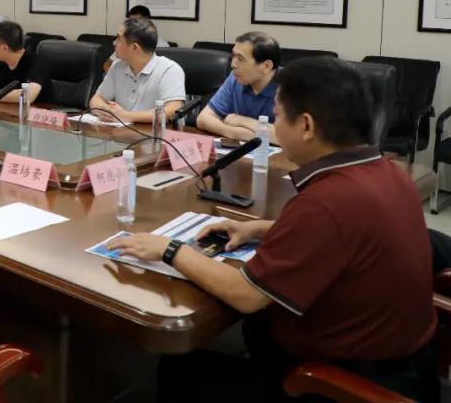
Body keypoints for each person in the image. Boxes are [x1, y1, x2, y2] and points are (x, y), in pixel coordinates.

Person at [107, 57, 437, 402]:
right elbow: (346, 232)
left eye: (278, 117)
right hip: (405, 362)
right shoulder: (386, 172)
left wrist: (170, 249)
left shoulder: (327, 202)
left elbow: (246, 295)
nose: (274, 127)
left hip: (341, 382)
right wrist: (261, 229)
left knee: (178, 370)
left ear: (306, 126)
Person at [89, 17, 184, 124]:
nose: (114, 43)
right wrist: (106, 110)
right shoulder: (117, 66)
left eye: (118, 39)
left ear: (134, 47)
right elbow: (95, 100)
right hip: (121, 131)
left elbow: (172, 110)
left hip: (154, 132)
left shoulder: (169, 70)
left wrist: (127, 116)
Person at [197, 32, 280, 144]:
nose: (233, 64)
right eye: (234, 56)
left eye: (240, 59)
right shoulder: (236, 77)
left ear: (266, 66)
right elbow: (203, 119)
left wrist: (240, 120)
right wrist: (233, 132)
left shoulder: (291, 86)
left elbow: (288, 137)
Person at [0, 20, 49, 104]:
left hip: (38, 110)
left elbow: (28, 95)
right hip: (8, 110)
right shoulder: (2, 62)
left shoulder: (36, 63)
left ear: (4, 48)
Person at [104, 5, 151, 72]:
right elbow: (107, 64)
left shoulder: (158, 45)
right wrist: (116, 75)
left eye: (136, 22)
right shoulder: (125, 42)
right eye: (131, 22)